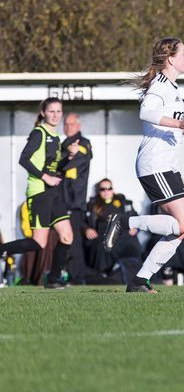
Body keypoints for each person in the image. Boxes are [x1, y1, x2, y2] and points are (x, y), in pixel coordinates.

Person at [103, 36, 184, 293]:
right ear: (170, 59)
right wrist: (180, 123)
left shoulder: (172, 89)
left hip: (167, 166)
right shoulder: (161, 84)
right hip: (155, 165)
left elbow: (168, 126)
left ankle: (139, 280)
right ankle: (125, 222)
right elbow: (146, 112)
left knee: (182, 229)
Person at [0, 98, 76, 288]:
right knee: (39, 243)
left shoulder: (56, 137)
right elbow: (23, 159)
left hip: (54, 193)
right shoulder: (39, 133)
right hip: (39, 193)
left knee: (67, 236)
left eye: (59, 111)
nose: (56, 115)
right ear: (43, 112)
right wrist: (45, 177)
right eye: (52, 111)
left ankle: (53, 279)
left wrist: (69, 158)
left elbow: (55, 168)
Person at [85, 179, 143, 282]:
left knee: (132, 244)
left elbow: (135, 217)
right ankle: (105, 274)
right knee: (102, 247)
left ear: (113, 189)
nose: (106, 191)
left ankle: (136, 274)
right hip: (104, 233)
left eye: (109, 188)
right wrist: (87, 229)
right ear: (99, 191)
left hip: (122, 232)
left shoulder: (122, 202)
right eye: (103, 189)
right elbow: (83, 221)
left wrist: (135, 228)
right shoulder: (93, 204)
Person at [59, 112, 94, 284]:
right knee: (64, 239)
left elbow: (70, 163)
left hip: (74, 202)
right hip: (62, 200)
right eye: (66, 124)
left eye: (72, 124)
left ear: (78, 126)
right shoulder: (64, 144)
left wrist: (58, 164)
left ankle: (77, 277)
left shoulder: (82, 143)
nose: (68, 127)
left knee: (73, 242)